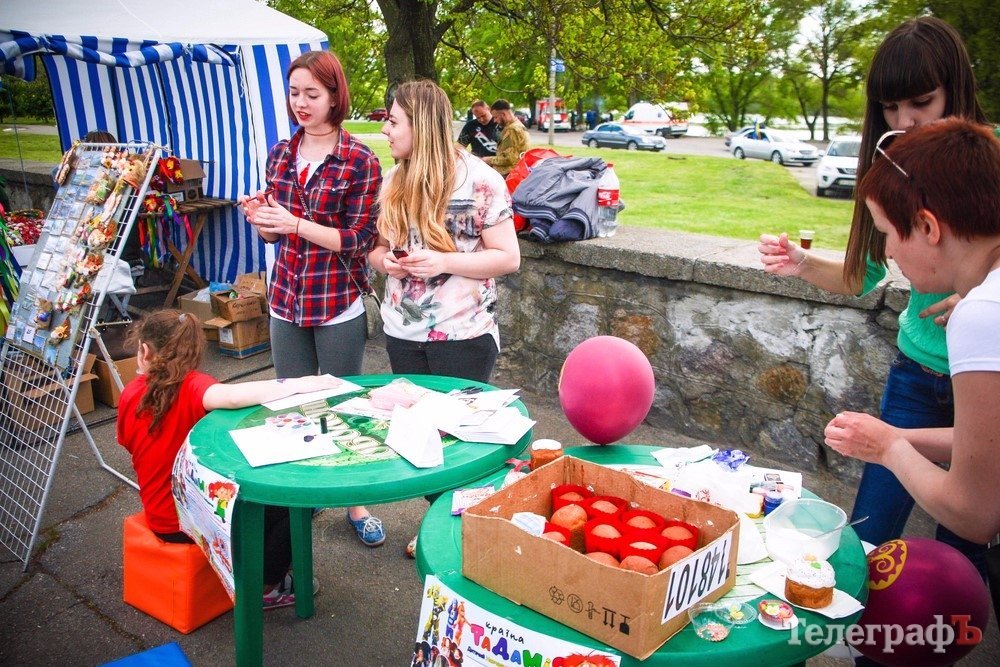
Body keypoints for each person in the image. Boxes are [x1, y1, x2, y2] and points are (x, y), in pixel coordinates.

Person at [757, 16, 990, 576]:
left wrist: (977, 296)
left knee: (961, 556)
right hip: (917, 374)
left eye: (921, 103)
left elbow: (975, 512)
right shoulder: (892, 165)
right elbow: (865, 274)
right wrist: (805, 263)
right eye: (889, 108)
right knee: (868, 538)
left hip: (979, 383)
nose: (904, 123)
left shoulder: (986, 161)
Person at [825, 118, 1000, 546]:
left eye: (886, 233)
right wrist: (896, 436)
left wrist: (889, 448)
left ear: (927, 227)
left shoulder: (982, 313)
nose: (886, 251)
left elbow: (974, 514)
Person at [238, 50, 386, 548]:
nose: (301, 103)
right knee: (292, 403)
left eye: (312, 94)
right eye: (294, 92)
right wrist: (261, 220)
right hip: (286, 298)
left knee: (342, 402)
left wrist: (295, 223)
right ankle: (304, 491)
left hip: (335, 301)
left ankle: (355, 500)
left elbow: (362, 239)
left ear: (334, 96)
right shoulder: (280, 154)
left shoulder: (359, 158)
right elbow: (274, 238)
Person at [370, 79, 520, 555]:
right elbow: (374, 252)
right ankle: (444, 524)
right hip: (401, 331)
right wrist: (386, 263)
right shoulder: (393, 180)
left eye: (393, 122)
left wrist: (444, 260)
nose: (386, 132)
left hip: (464, 335)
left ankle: (467, 534)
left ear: (422, 124)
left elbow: (507, 258)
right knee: (421, 440)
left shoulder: (480, 180)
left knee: (460, 445)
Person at [116, 310, 344, 609]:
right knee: (293, 501)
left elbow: (131, 446)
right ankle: (267, 586)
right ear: (195, 351)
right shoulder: (195, 386)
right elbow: (234, 398)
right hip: (191, 523)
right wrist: (300, 384)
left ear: (144, 350)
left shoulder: (130, 394)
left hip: (160, 515)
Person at [481, 99, 530, 177]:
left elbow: (510, 159)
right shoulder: (514, 126)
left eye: (495, 117)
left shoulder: (513, 130)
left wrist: (488, 160)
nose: (494, 121)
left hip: (509, 176)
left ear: (503, 114)